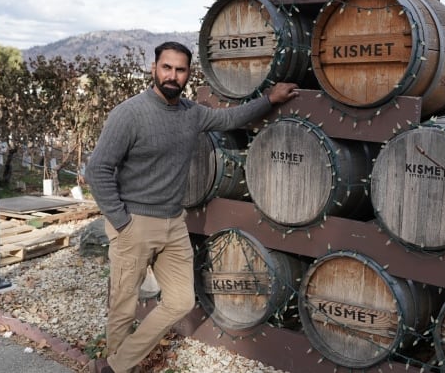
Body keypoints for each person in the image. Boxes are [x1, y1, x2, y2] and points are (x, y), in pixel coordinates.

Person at [84, 41, 299, 373]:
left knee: (181, 301)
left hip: (173, 223)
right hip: (134, 223)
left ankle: (114, 365)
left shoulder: (191, 113)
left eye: (180, 69)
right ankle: (118, 368)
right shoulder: (130, 113)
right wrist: (121, 222)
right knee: (123, 307)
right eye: (166, 67)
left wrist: (269, 99)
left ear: (188, 74)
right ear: (154, 69)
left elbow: (230, 119)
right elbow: (97, 169)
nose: (173, 75)